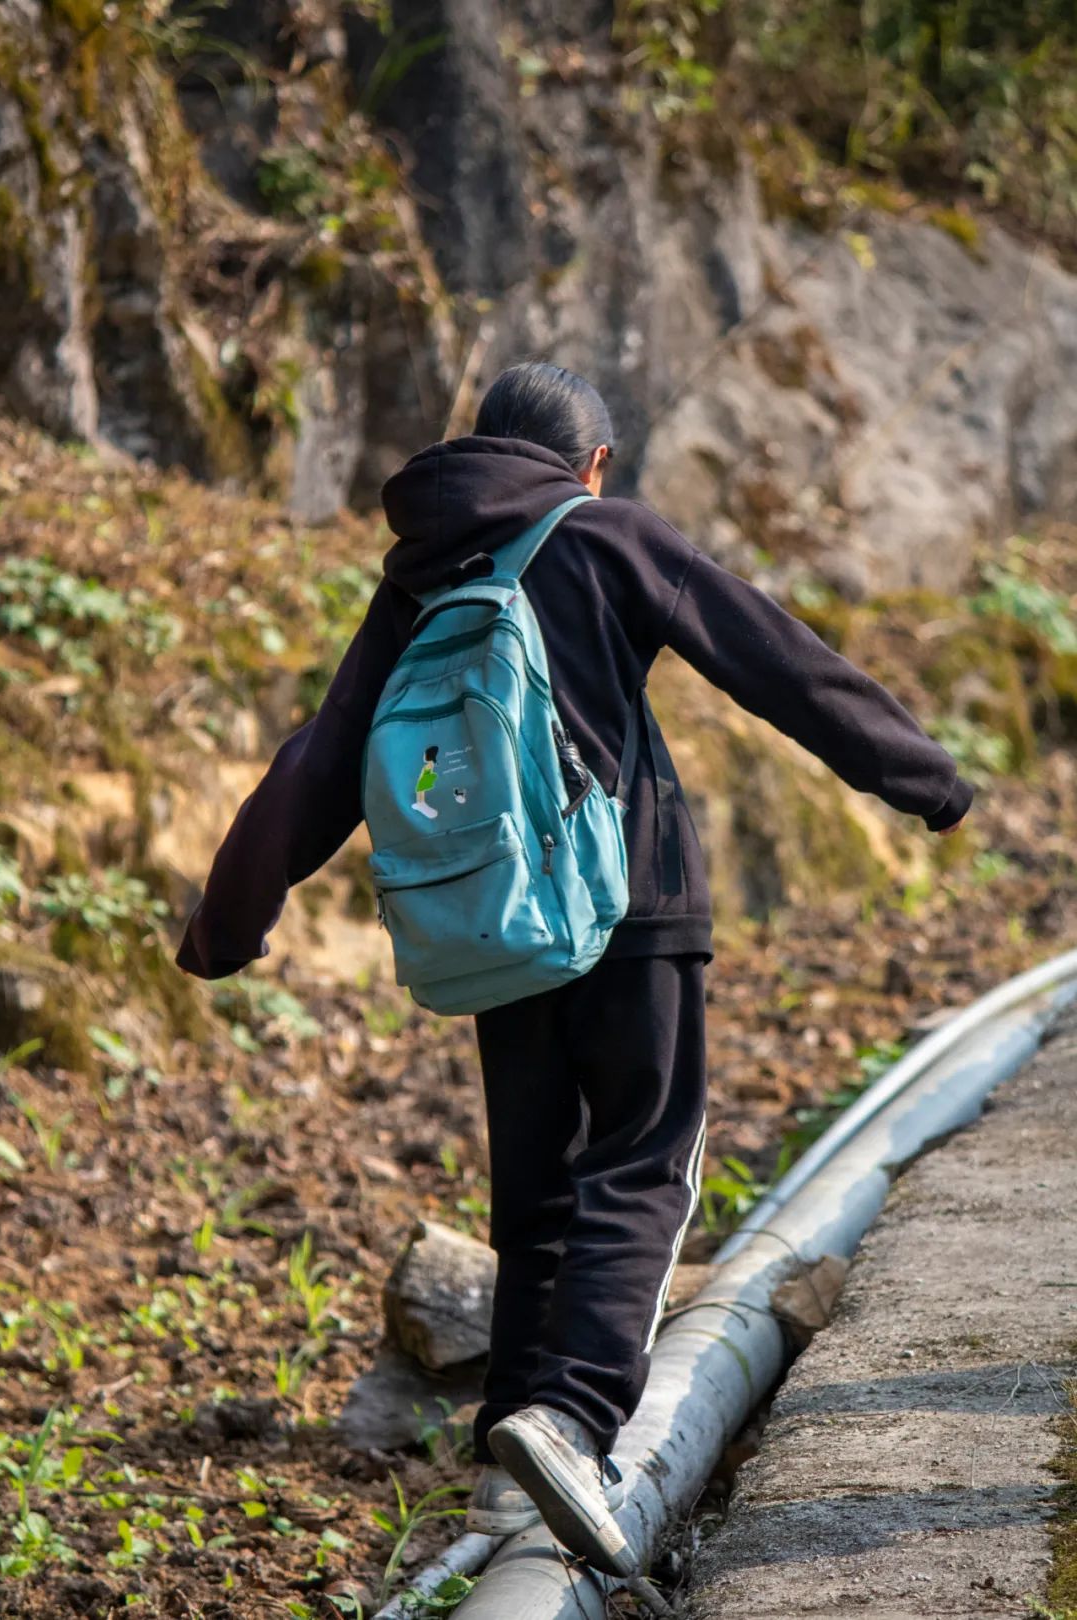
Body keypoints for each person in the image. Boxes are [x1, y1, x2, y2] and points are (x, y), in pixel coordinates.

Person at [177, 361, 972, 1576]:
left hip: (494, 924)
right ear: (592, 463)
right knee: (650, 1154)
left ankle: (509, 1469)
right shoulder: (607, 535)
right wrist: (925, 775)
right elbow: (774, 659)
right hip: (633, 904)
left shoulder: (425, 570)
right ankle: (577, 1415)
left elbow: (324, 753)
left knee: (538, 1186)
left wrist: (228, 923)